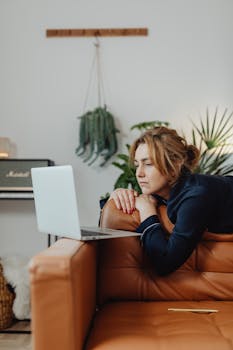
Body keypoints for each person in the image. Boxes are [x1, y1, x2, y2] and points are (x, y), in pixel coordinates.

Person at [108, 126, 233, 275]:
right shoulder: (164, 189)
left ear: (174, 166)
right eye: (137, 165)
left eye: (148, 164)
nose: (139, 173)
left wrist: (148, 211)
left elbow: (165, 263)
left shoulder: (196, 196)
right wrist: (118, 194)